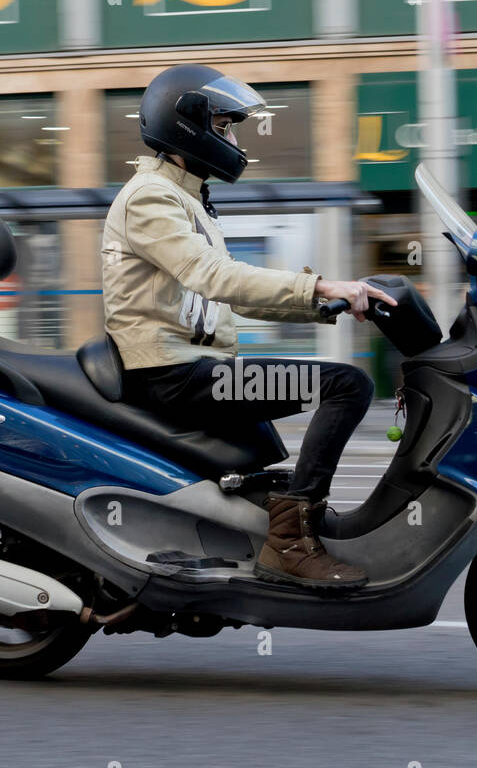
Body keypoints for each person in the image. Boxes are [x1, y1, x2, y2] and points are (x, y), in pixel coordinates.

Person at [101, 64, 396, 591]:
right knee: (347, 385)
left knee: (268, 457)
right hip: (175, 376)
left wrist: (326, 307)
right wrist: (322, 286)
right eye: (225, 126)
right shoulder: (151, 198)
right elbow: (214, 276)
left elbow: (226, 297)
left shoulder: (188, 199)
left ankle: (270, 529)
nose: (234, 139)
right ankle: (289, 543)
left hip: (199, 369)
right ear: (187, 124)